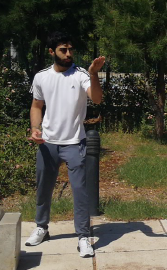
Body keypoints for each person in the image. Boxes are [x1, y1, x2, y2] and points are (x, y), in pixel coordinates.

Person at [24, 31, 106, 257]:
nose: (68, 54)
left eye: (70, 49)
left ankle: (83, 237)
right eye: (63, 50)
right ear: (52, 52)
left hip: (74, 143)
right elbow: (36, 106)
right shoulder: (41, 76)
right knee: (43, 189)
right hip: (47, 143)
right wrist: (35, 129)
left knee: (80, 191)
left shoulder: (80, 74)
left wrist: (93, 75)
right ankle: (41, 227)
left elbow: (97, 99)